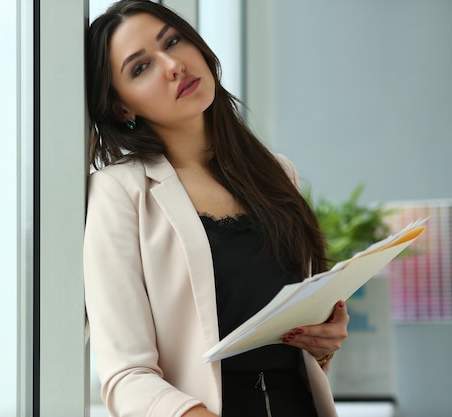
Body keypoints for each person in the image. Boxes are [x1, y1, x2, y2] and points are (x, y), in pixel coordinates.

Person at [83, 1, 350, 416]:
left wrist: (322, 341)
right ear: (122, 108)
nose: (173, 64)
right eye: (141, 67)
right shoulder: (120, 192)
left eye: (173, 41)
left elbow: (295, 342)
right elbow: (125, 376)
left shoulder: (277, 173)